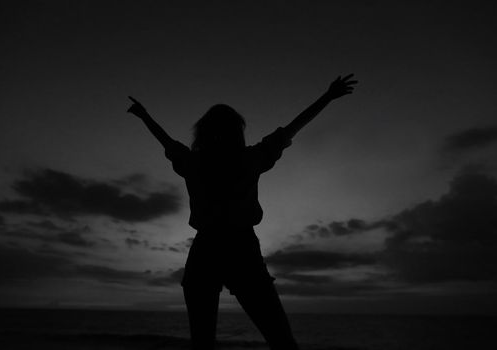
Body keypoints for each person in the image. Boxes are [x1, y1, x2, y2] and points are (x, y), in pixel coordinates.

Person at [127, 74, 357, 350]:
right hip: (240, 248)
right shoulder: (249, 158)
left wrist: (144, 116)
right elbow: (291, 129)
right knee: (281, 341)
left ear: (203, 132)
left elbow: (166, 141)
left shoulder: (195, 162)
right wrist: (327, 97)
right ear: (238, 131)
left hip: (207, 250)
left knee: (204, 344)